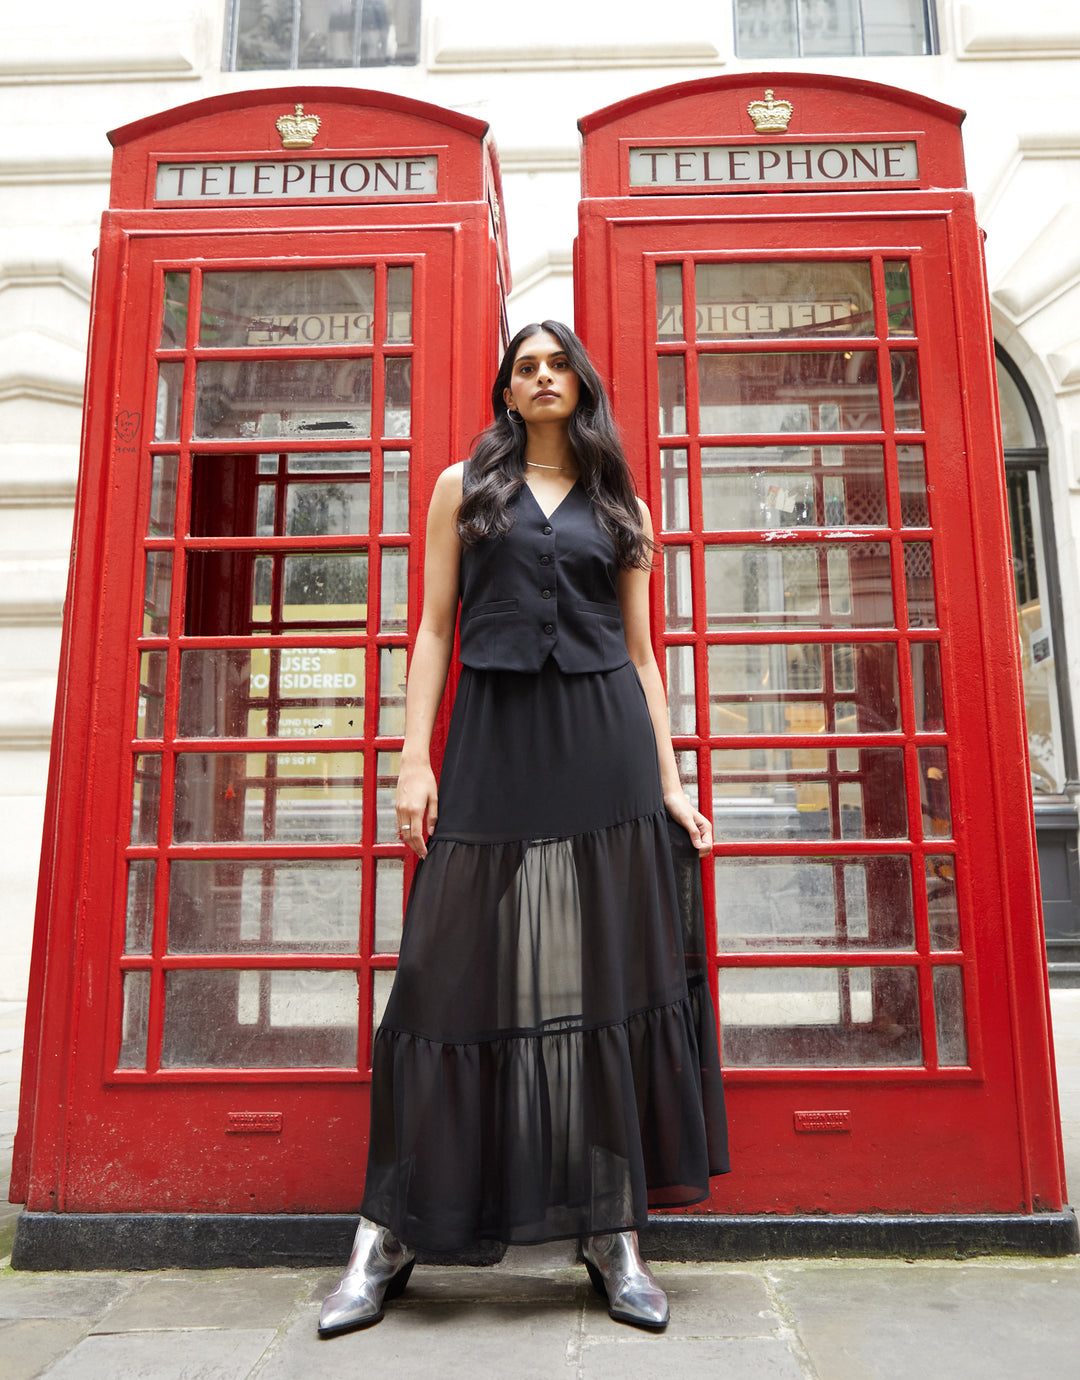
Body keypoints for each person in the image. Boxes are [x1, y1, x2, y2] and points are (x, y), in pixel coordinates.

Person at [319, 321, 729, 1339]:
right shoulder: (465, 485)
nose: (543, 378)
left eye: (559, 365)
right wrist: (414, 758)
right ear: (507, 388)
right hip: (493, 743)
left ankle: (612, 1232)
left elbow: (642, 655)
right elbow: (432, 628)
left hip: (605, 748)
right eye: (525, 366)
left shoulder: (622, 504)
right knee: (439, 981)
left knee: (610, 983)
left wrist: (673, 782)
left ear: (582, 383)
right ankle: (388, 1235)